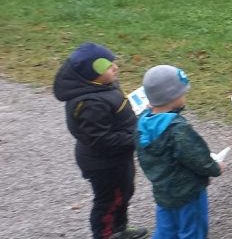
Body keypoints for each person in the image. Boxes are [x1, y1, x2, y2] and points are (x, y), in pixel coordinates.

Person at [54, 42, 149, 239]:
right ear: (91, 73)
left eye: (113, 62)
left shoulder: (102, 87)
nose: (115, 67)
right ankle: (105, 234)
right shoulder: (89, 103)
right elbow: (101, 139)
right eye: (108, 66)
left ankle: (120, 229)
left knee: (123, 194)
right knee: (109, 201)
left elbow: (113, 116)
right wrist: (136, 137)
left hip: (117, 158)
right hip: (104, 164)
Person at [136, 65, 222, 239]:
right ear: (172, 96)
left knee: (166, 231)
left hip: (162, 190)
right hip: (188, 193)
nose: (185, 96)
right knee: (192, 231)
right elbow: (197, 157)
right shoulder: (178, 129)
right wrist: (215, 168)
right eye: (183, 93)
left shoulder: (142, 124)